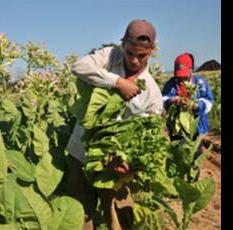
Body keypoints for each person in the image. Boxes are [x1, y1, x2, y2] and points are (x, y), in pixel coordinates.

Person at [65, 19, 163, 230]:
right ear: (123, 45)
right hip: (81, 153)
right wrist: (117, 82)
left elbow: (147, 136)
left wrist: (126, 162)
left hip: (117, 167)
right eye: (130, 53)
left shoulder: (152, 94)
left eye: (142, 55)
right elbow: (79, 67)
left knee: (120, 219)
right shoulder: (110, 56)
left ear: (152, 51)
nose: (134, 60)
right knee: (81, 217)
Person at [162, 52, 215, 181]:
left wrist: (197, 105)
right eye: (179, 75)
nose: (182, 79)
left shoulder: (200, 83)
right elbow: (163, 98)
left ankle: (192, 181)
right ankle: (178, 183)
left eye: (184, 74)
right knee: (178, 154)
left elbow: (209, 101)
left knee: (195, 154)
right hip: (178, 128)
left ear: (191, 69)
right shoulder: (171, 83)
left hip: (197, 127)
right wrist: (173, 100)